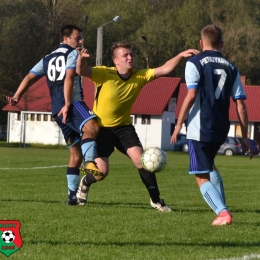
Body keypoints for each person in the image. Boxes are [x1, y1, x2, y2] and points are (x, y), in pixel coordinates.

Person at [75, 41, 199, 211]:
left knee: (143, 162)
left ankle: (156, 201)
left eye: (131, 54)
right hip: (101, 130)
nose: (130, 57)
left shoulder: (139, 76)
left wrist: (180, 55)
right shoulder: (104, 73)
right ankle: (85, 182)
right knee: (101, 173)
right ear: (116, 61)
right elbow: (81, 71)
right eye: (125, 55)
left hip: (124, 129)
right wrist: (81, 58)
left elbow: (164, 69)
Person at [6, 24, 103, 206]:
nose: (81, 41)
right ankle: (90, 162)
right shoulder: (72, 53)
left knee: (75, 154)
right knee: (93, 126)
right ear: (66, 39)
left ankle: (71, 196)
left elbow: (29, 77)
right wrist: (68, 104)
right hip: (72, 104)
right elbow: (69, 77)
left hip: (55, 110)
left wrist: (17, 96)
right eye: (78, 38)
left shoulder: (47, 58)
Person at [170, 24, 253, 224]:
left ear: (201, 42)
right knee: (211, 166)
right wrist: (244, 137)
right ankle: (222, 207)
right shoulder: (232, 67)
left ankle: (223, 213)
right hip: (221, 127)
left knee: (200, 176)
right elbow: (240, 105)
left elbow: (191, 95)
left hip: (200, 126)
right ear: (221, 43)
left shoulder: (195, 62)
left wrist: (179, 123)